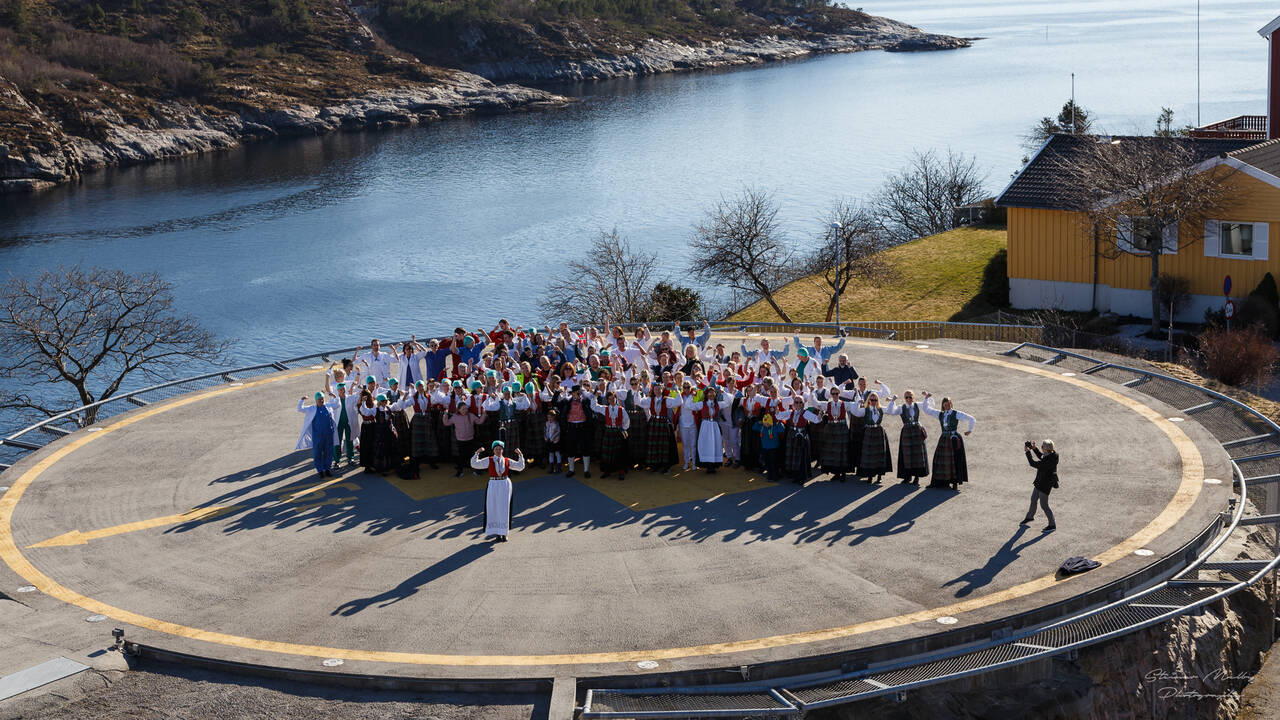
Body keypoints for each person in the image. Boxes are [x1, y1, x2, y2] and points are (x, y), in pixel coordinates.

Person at [471, 441, 526, 542]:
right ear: (493, 450)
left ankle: (504, 532)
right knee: (494, 507)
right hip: (494, 484)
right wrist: (477, 453)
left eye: (500, 449)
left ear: (502, 450)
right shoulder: (489, 460)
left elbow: (520, 467)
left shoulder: (506, 460)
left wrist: (520, 455)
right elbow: (474, 464)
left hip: (505, 484)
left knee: (504, 508)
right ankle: (497, 532)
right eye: (496, 449)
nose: (498, 451)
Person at [921, 392, 976, 490]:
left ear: (951, 404)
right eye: (945, 404)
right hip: (943, 439)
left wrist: (970, 430)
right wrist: (926, 398)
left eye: (949, 404)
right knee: (939, 460)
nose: (947, 406)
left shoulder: (956, 413)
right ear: (942, 405)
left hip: (953, 439)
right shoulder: (940, 414)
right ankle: (938, 482)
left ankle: (954, 483)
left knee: (954, 460)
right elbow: (926, 410)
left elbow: (971, 419)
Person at [886, 390, 929, 485]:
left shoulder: (918, 405)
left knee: (917, 455)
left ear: (913, 398)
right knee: (907, 455)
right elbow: (890, 411)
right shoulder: (902, 407)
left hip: (917, 431)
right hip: (906, 431)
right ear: (904, 398)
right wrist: (892, 401)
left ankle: (917, 477)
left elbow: (928, 407)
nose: (908, 399)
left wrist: (926, 398)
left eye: (910, 397)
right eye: (906, 397)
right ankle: (907, 476)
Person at [851, 391, 892, 483]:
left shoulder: (881, 409)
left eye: (875, 399)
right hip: (868, 432)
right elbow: (855, 412)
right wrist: (857, 402)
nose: (873, 401)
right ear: (868, 400)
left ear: (877, 400)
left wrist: (892, 401)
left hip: (879, 432)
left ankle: (879, 476)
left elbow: (890, 410)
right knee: (869, 455)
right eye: (872, 399)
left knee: (879, 455)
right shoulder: (865, 409)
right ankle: (870, 476)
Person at [296, 392, 338, 478]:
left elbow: (338, 405)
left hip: (328, 434)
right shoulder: (312, 409)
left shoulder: (328, 406)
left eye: (322, 399)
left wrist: (334, 397)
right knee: (318, 453)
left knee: (328, 452)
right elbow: (300, 409)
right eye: (319, 399)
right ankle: (320, 470)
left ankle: (327, 469)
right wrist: (302, 400)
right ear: (316, 400)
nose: (321, 401)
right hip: (318, 436)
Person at [1021, 439, 1058, 531]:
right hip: (1039, 481)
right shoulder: (1051, 454)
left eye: (1042, 447)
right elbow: (1041, 456)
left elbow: (1032, 463)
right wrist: (1034, 448)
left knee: (1044, 505)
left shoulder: (1048, 461)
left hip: (1045, 485)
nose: (1041, 447)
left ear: (1046, 449)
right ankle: (1030, 517)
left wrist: (1027, 452)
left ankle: (1052, 525)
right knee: (1033, 499)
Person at [444, 401, 486, 478]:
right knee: (461, 457)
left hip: (470, 439)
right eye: (463, 409)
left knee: (473, 456)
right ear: (459, 409)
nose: (465, 410)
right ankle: (460, 472)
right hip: (460, 440)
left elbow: (479, 422)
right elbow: (446, 423)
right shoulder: (455, 417)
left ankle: (476, 470)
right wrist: (445, 414)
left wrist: (484, 414)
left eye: (466, 409)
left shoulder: (471, 415)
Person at [754, 412, 785, 481]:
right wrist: (758, 423)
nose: (766, 424)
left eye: (768, 423)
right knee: (767, 463)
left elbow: (782, 430)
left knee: (773, 463)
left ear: (771, 422)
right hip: (765, 448)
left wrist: (779, 422)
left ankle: (774, 477)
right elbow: (754, 427)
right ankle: (770, 475)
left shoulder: (774, 428)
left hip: (773, 449)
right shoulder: (762, 428)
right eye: (765, 422)